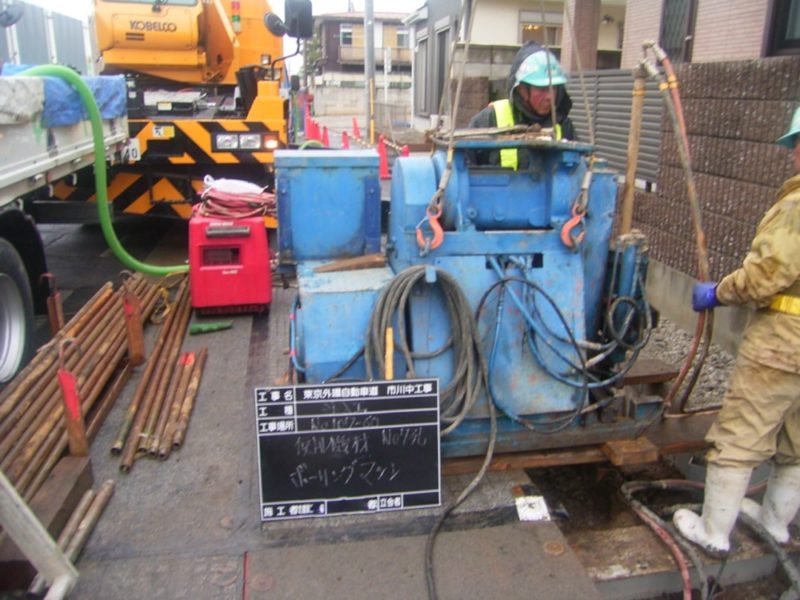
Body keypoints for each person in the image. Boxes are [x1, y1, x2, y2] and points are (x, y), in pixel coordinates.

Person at [673, 106, 800, 555]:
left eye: (797, 145)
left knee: (740, 435)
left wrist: (720, 292)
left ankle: (713, 533)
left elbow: (765, 275)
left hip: (784, 344)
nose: (793, 155)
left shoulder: (796, 206)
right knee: (796, 439)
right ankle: (776, 524)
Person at [467, 42, 576, 169]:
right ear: (522, 90)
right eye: (542, 89)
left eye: (554, 88)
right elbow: (463, 167)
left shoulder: (563, 126)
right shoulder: (488, 121)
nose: (549, 97)